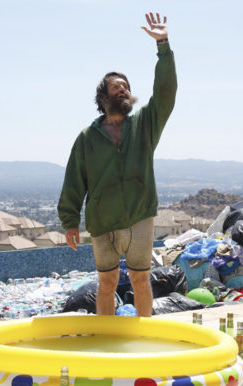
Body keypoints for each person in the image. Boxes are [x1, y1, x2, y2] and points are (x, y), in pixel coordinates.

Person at [57, 12, 177, 317]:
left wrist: (163, 45)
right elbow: (75, 179)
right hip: (103, 220)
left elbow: (165, 93)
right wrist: (70, 220)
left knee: (140, 278)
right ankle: (107, 340)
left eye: (125, 86)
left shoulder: (145, 125)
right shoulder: (88, 137)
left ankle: (145, 337)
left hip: (139, 215)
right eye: (115, 87)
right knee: (107, 281)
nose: (122, 89)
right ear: (103, 97)